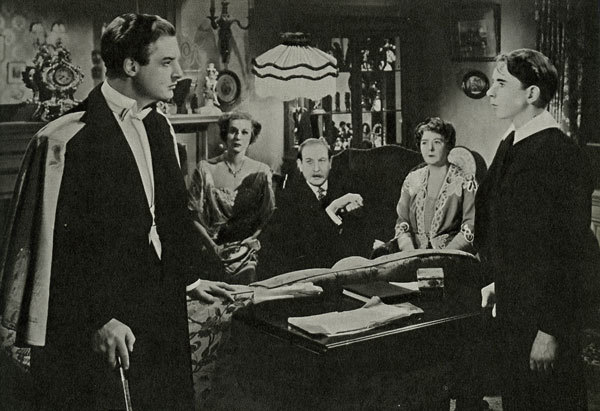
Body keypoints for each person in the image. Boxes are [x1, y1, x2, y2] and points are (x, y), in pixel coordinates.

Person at [30, 13, 234, 410]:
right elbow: (59, 248)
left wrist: (189, 278)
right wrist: (98, 319)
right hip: (105, 320)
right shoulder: (72, 137)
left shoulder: (160, 126)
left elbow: (170, 217)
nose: (179, 73)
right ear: (130, 66)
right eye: (166, 62)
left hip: (161, 307)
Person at [477, 48, 599, 409]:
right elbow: (507, 227)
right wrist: (498, 282)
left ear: (531, 93)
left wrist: (551, 330)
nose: (490, 92)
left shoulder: (560, 154)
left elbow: (572, 253)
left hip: (545, 321)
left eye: (501, 84)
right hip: (515, 309)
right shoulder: (512, 142)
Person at [188, 111, 275, 284]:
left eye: (244, 132)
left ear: (251, 137)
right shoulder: (205, 168)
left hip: (247, 252)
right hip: (212, 250)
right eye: (233, 131)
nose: (238, 137)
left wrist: (248, 244)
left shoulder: (262, 171)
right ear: (224, 134)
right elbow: (192, 215)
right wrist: (213, 248)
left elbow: (267, 217)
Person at [259, 138, 364, 277]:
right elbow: (298, 249)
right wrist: (331, 211)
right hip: (308, 275)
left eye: (322, 161)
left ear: (330, 163)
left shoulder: (347, 190)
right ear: (300, 165)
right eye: (309, 162)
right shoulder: (287, 198)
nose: (316, 169)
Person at [392, 117, 477, 253]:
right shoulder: (412, 180)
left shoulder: (465, 182)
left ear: (448, 145)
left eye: (437, 142)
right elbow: (402, 223)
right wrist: (410, 253)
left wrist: (445, 255)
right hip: (412, 255)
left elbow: (470, 227)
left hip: (451, 256)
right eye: (424, 143)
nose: (430, 148)